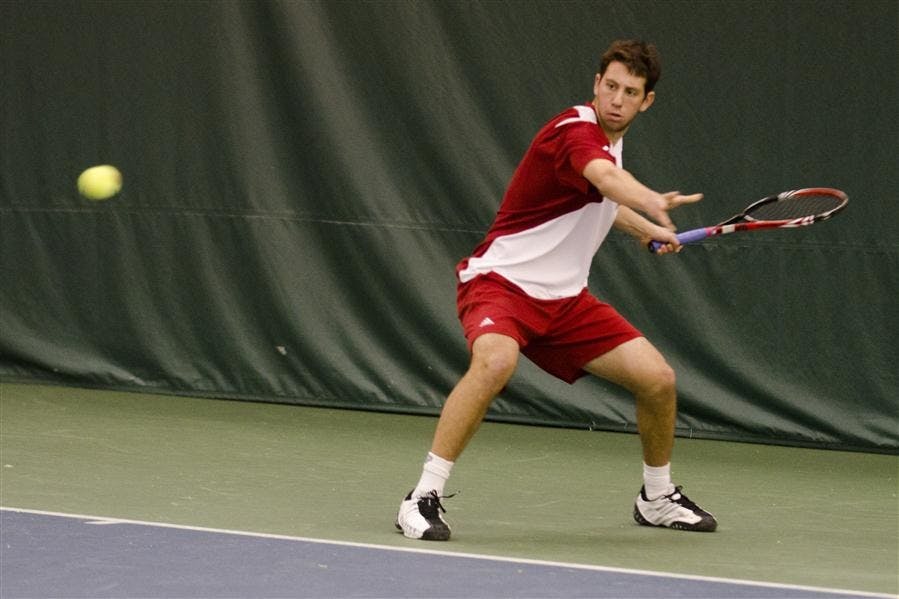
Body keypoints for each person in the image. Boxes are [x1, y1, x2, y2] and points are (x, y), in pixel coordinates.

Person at [395, 40, 717, 541]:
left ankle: (656, 497)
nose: (616, 98)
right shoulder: (574, 130)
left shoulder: (614, 140)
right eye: (610, 86)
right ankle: (421, 497)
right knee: (495, 363)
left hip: (566, 303)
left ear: (645, 101)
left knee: (658, 380)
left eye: (629, 92)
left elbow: (600, 201)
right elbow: (605, 180)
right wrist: (651, 201)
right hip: (501, 285)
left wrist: (643, 229)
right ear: (596, 84)